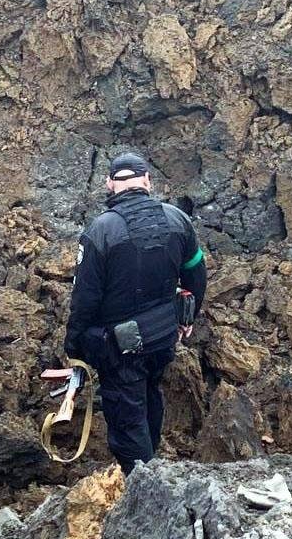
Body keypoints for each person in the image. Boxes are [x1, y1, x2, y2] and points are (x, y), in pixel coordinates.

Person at [64, 151, 207, 475]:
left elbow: (84, 299)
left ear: (110, 184)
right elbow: (196, 274)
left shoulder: (100, 231)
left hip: (121, 347)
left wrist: (74, 348)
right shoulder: (177, 219)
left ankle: (145, 484)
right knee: (149, 395)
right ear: (146, 181)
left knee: (127, 421)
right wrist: (188, 316)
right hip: (163, 337)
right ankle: (151, 464)